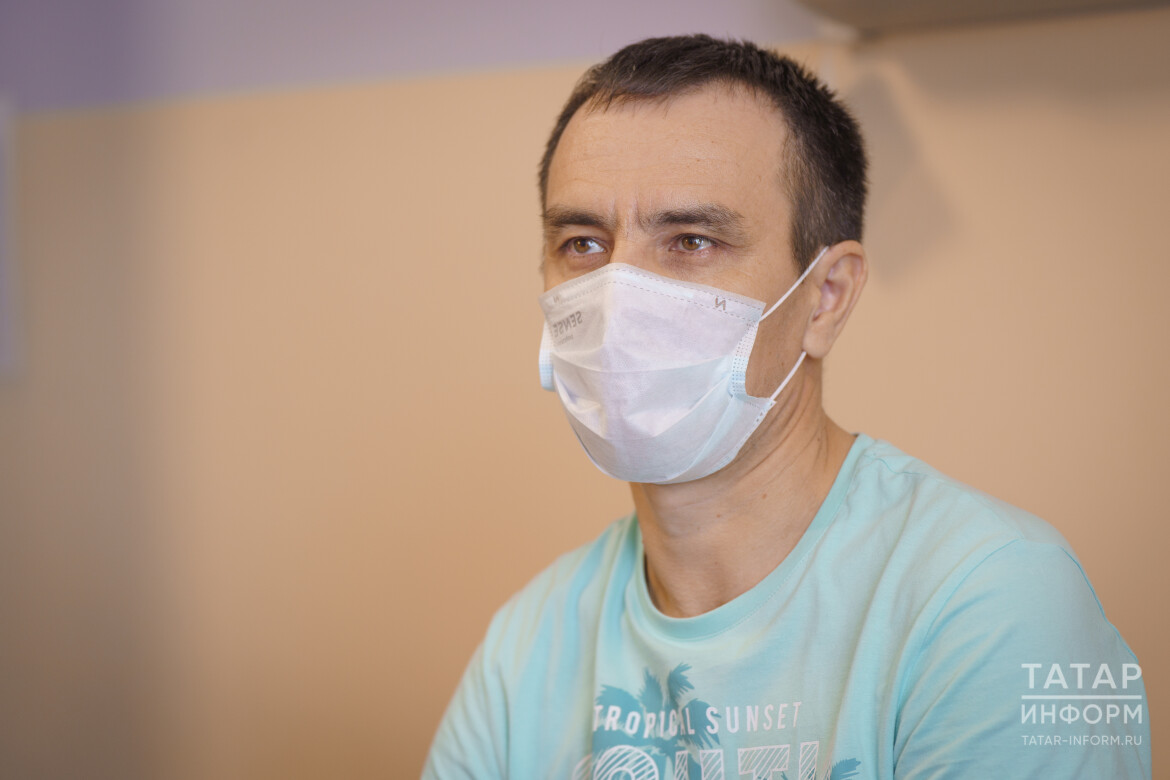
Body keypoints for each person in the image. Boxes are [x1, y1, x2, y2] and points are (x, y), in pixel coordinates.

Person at [423, 35, 1150, 778]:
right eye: (583, 243)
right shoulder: (528, 645)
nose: (618, 297)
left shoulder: (996, 598)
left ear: (825, 298)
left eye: (692, 240)